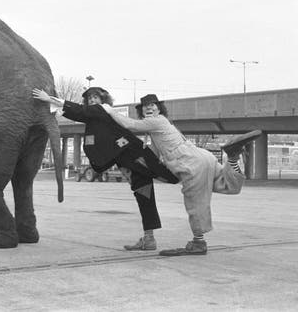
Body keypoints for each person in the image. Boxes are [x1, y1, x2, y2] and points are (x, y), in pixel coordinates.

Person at [101, 93, 261, 256]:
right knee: (227, 185)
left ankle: (198, 242)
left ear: (159, 108)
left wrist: (109, 111)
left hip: (190, 162)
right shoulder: (157, 128)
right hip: (202, 157)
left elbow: (131, 125)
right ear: (142, 110)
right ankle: (233, 158)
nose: (149, 107)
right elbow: (154, 156)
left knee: (196, 201)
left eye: (153, 105)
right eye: (145, 106)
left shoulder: (158, 120)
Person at [33, 87, 179, 251]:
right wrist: (55, 107)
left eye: (95, 97)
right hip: (126, 160)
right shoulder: (93, 115)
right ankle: (149, 238)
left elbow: (80, 111)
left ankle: (191, 179)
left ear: (103, 100)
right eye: (89, 98)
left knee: (173, 176)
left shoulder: (101, 110)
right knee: (144, 196)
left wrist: (50, 99)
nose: (92, 100)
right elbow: (79, 113)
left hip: (134, 155)